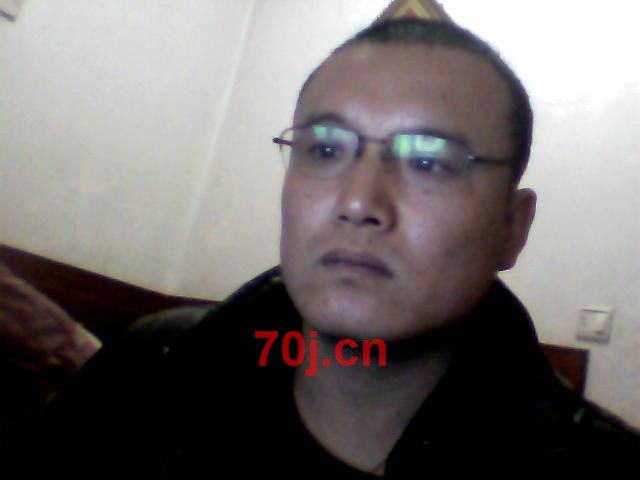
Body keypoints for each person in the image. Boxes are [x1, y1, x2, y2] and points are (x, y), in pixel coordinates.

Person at [4, 18, 640, 478]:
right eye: (326, 149)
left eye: (429, 161)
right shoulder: (153, 368)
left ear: (511, 226)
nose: (358, 201)